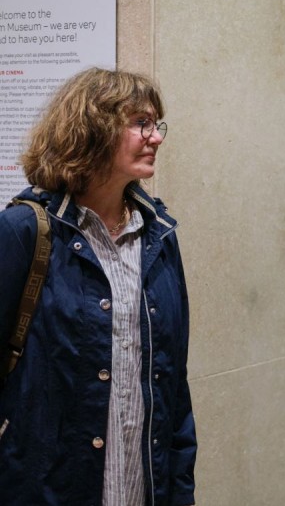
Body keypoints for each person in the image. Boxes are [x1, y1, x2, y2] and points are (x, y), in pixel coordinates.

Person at [0, 68, 196, 505]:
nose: (156, 137)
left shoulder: (159, 236)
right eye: (140, 122)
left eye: (156, 124)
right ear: (94, 128)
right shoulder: (24, 231)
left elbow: (174, 387)